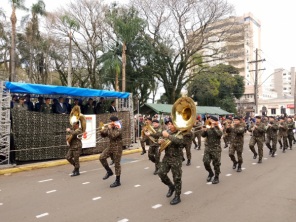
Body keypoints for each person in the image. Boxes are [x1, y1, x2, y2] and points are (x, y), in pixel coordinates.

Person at [158, 118, 185, 205]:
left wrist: (168, 136)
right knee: (161, 173)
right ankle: (171, 186)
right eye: (169, 124)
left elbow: (179, 142)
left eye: (171, 124)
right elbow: (160, 140)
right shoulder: (167, 132)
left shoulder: (180, 133)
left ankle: (177, 196)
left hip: (176, 158)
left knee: (177, 177)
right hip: (167, 157)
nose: (169, 125)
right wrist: (160, 141)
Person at [99, 116, 123, 188]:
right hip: (111, 146)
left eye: (111, 121)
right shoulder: (110, 128)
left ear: (114, 122)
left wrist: (109, 128)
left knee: (117, 164)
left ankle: (117, 181)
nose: (110, 122)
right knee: (101, 157)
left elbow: (113, 136)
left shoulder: (119, 128)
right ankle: (109, 171)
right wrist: (102, 130)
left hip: (117, 147)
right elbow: (104, 135)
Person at [201, 116, 223, 184]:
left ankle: (216, 177)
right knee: (206, 162)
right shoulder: (208, 128)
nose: (210, 121)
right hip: (208, 148)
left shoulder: (219, 128)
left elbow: (219, 134)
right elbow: (203, 136)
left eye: (212, 120)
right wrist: (204, 131)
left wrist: (213, 127)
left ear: (216, 122)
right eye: (210, 120)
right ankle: (210, 173)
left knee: (216, 164)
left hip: (216, 148)